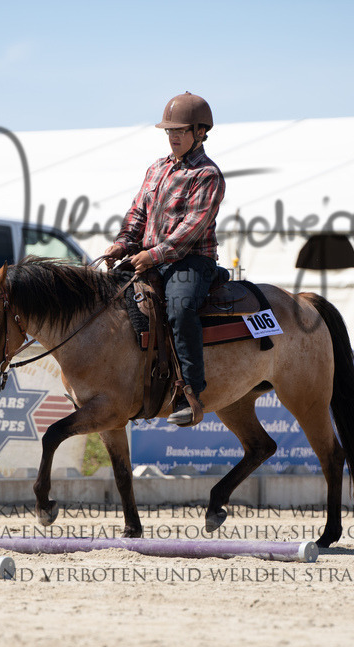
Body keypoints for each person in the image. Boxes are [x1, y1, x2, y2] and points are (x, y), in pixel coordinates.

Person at [102, 92, 226, 426]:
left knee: (180, 309)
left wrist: (151, 254)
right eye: (169, 131)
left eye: (180, 130)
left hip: (191, 262)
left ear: (200, 132)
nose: (173, 136)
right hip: (150, 258)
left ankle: (191, 394)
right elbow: (137, 213)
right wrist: (122, 244)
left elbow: (191, 229)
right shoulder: (156, 168)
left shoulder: (208, 175)